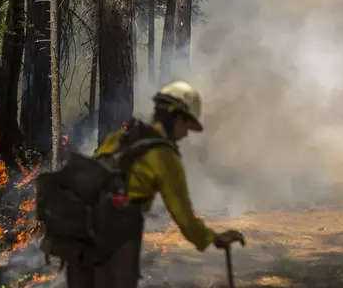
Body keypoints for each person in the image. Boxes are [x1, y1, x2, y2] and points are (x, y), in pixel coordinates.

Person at [65, 80, 245, 288]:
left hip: (78, 236)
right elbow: (184, 218)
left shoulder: (119, 138)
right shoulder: (165, 157)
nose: (186, 134)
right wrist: (213, 238)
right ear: (175, 117)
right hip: (115, 242)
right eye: (186, 125)